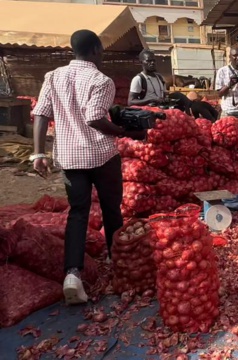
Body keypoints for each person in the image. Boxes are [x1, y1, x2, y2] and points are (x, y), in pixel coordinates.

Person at [31, 30, 146, 305]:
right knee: (111, 209)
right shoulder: (100, 79)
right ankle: (117, 262)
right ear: (95, 49)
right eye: (102, 50)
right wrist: (122, 131)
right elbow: (95, 118)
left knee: (78, 213)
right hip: (101, 155)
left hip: (70, 158)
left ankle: (72, 276)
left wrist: (37, 153)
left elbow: (41, 114)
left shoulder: (53, 76)